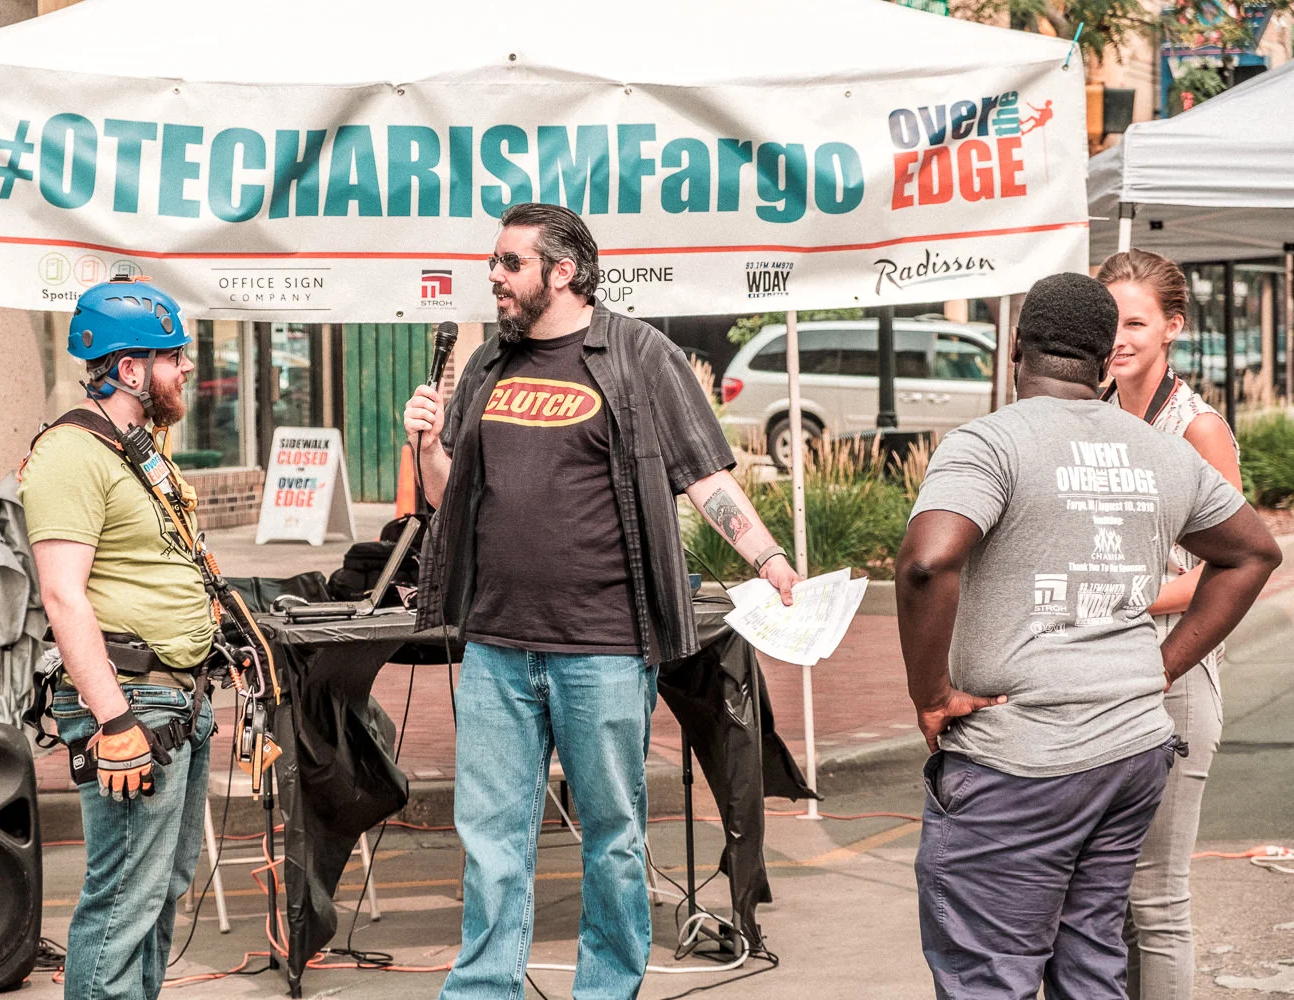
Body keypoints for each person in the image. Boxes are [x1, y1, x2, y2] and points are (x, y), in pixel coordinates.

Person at [404, 202, 800, 999]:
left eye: (510, 263)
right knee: (491, 843)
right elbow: (450, 498)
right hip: (496, 645)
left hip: (605, 648)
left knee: (613, 840)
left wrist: (768, 557)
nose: (494, 276)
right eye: (493, 261)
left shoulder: (639, 356)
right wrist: (425, 446)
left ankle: (606, 989)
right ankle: (483, 989)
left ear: (564, 272)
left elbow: (705, 475)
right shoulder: (487, 365)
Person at [895, 272, 1280, 1000]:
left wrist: (932, 695)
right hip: (1131, 753)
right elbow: (1254, 553)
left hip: (1020, 758)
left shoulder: (989, 443)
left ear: (1015, 347)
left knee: (990, 973)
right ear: (1106, 360)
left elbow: (925, 563)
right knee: (1092, 957)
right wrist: (1161, 669)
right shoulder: (1159, 452)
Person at [18, 277, 217, 1000]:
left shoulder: (133, 449)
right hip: (133, 704)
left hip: (176, 699)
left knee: (158, 891)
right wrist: (115, 721)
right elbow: (62, 595)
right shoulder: (72, 454)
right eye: (173, 356)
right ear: (130, 369)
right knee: (124, 899)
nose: (186, 368)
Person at [1098, 248, 1243, 1000]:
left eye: (1136, 323)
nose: (1119, 338)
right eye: (1109, 321)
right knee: (1103, 899)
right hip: (1095, 673)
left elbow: (1231, 567)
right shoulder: (1090, 414)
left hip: (1173, 671)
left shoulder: (1197, 427)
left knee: (1154, 902)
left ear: (1172, 328)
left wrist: (1119, 596)